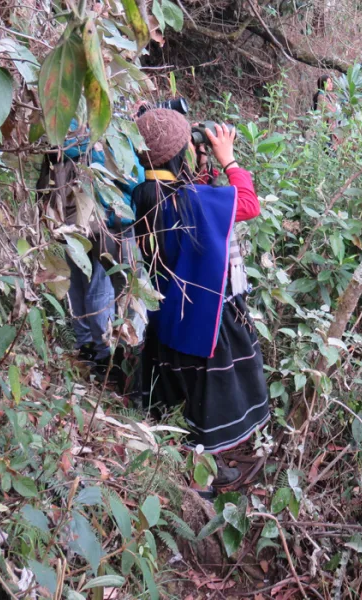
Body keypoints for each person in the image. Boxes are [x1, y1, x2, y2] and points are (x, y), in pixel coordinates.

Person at [132, 108, 269, 489]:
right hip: (204, 319)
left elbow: (198, 203)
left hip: (166, 316)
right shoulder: (191, 200)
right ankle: (203, 482)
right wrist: (229, 160)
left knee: (177, 392)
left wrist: (202, 164)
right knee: (206, 400)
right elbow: (248, 205)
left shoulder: (143, 194)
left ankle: (184, 465)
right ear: (182, 155)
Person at [36, 119, 144, 382]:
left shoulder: (58, 130)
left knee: (79, 282)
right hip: (107, 222)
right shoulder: (104, 130)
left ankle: (86, 346)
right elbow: (135, 178)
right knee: (116, 286)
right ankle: (111, 354)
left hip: (67, 219)